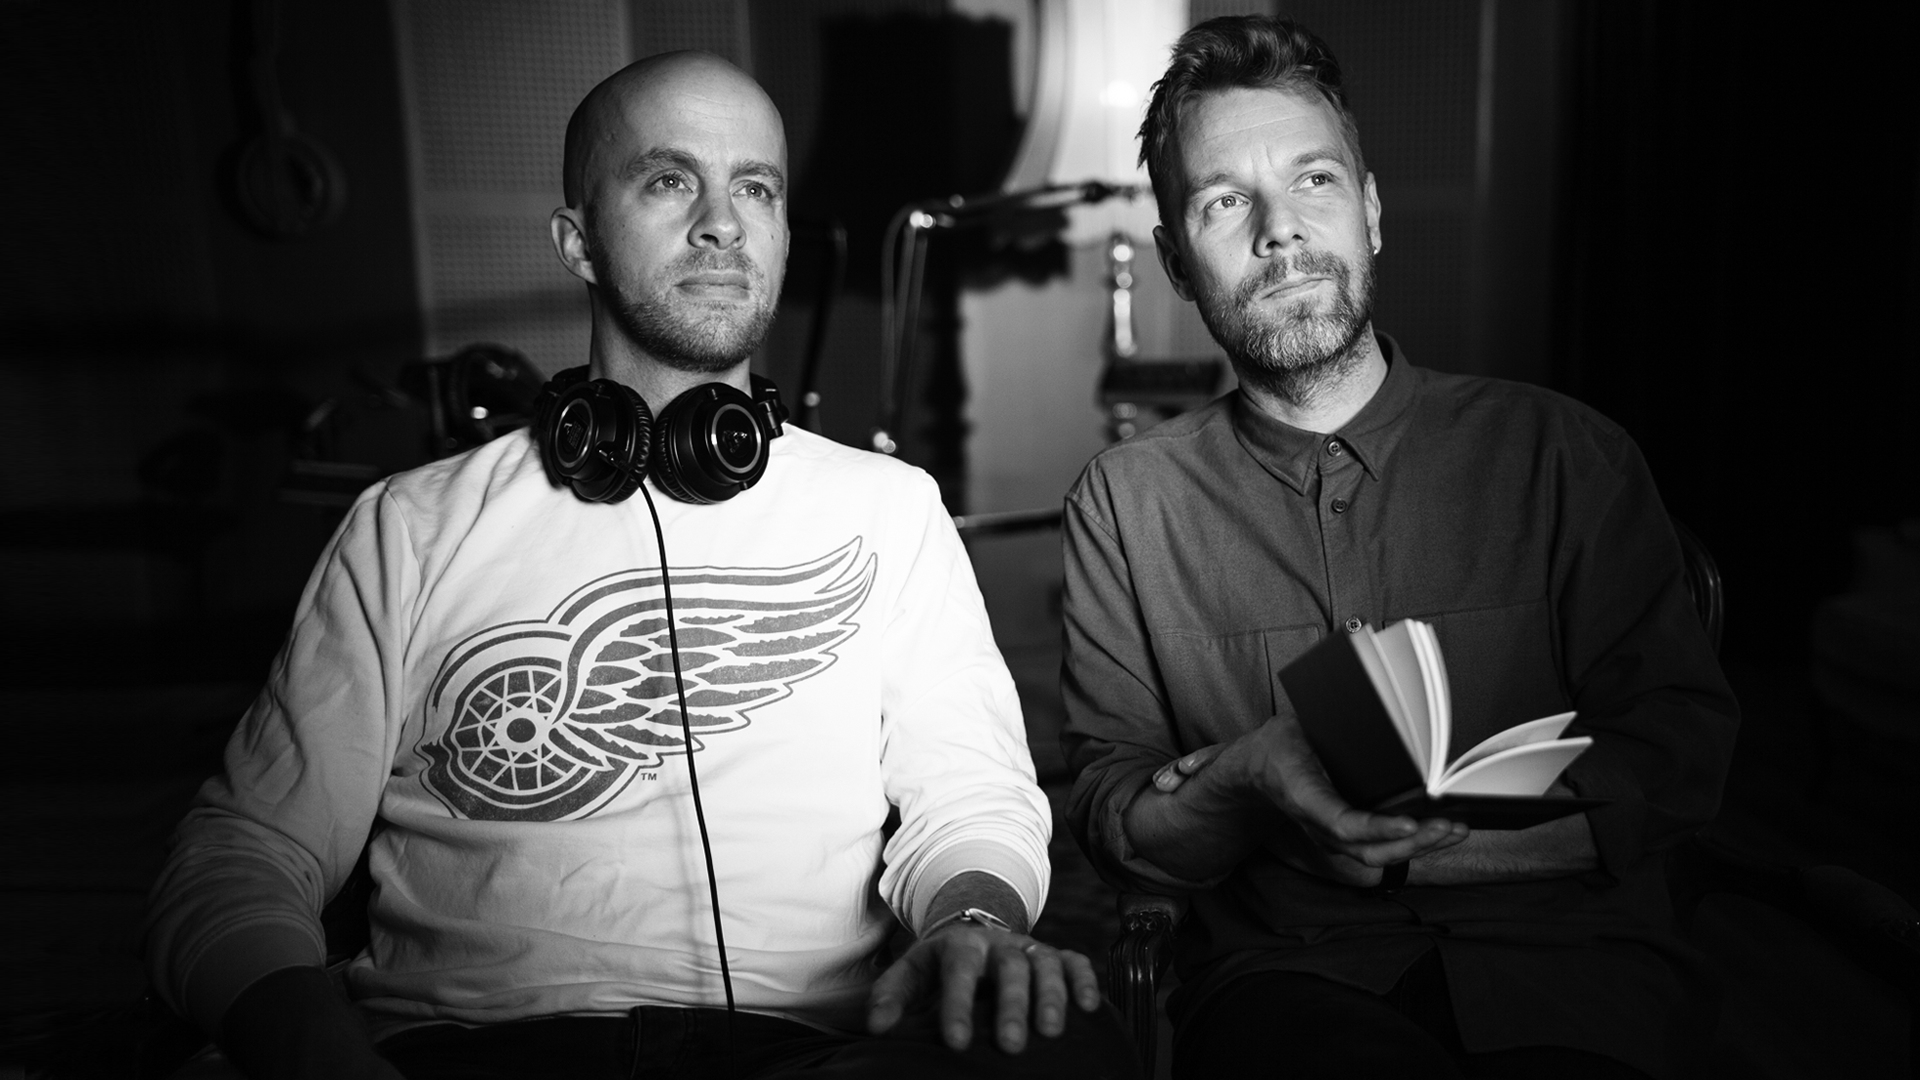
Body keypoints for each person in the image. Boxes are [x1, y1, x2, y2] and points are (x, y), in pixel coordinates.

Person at [148, 52, 1136, 1080]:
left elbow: (972, 797)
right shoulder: (411, 525)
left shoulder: (889, 508)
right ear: (577, 242)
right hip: (478, 1052)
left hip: (809, 1054)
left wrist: (972, 922)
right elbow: (244, 852)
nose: (722, 223)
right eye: (669, 180)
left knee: (1070, 1043)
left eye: (755, 188)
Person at [1061, 15, 1738, 1080]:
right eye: (1225, 200)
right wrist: (1247, 778)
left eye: (1314, 180)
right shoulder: (1126, 503)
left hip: (1579, 976)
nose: (1280, 231)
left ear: (1370, 212)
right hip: (1289, 987)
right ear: (1177, 264)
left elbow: (1676, 761)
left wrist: (1414, 854)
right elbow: (1119, 824)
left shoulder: (1565, 454)